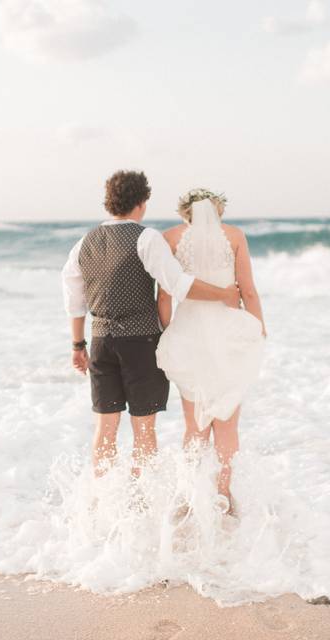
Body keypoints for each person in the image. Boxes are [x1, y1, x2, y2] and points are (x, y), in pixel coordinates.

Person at [61, 171, 241, 477]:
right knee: (143, 428)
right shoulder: (146, 238)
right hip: (140, 344)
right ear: (142, 203)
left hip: (101, 342)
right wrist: (223, 293)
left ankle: (101, 500)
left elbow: (73, 299)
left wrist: (78, 345)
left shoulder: (84, 242)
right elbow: (177, 283)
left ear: (109, 203)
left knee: (105, 427)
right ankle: (140, 502)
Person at [155, 189, 266, 515]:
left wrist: (168, 331)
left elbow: (165, 296)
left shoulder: (171, 238)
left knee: (194, 424)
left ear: (184, 212)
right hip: (228, 337)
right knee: (227, 423)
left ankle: (192, 496)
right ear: (217, 210)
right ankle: (223, 495)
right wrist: (259, 327)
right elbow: (248, 290)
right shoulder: (234, 236)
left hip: (189, 336)